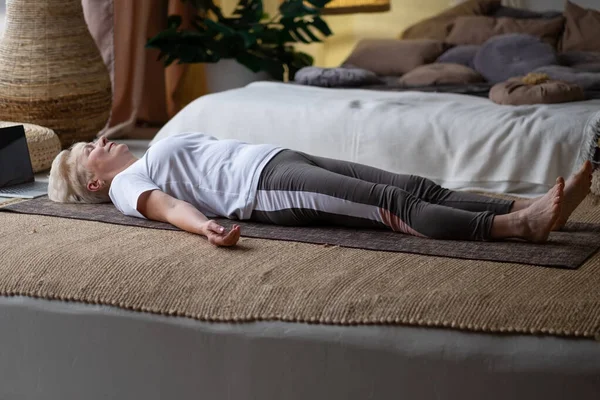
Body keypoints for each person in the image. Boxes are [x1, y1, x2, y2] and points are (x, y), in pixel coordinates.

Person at [48, 132, 593, 247]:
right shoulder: (125, 187)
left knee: (414, 183)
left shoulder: (143, 154)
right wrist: (205, 227)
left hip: (279, 159)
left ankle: (528, 204)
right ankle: (519, 226)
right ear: (94, 180)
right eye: (89, 149)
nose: (100, 140)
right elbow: (167, 208)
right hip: (266, 190)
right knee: (395, 207)